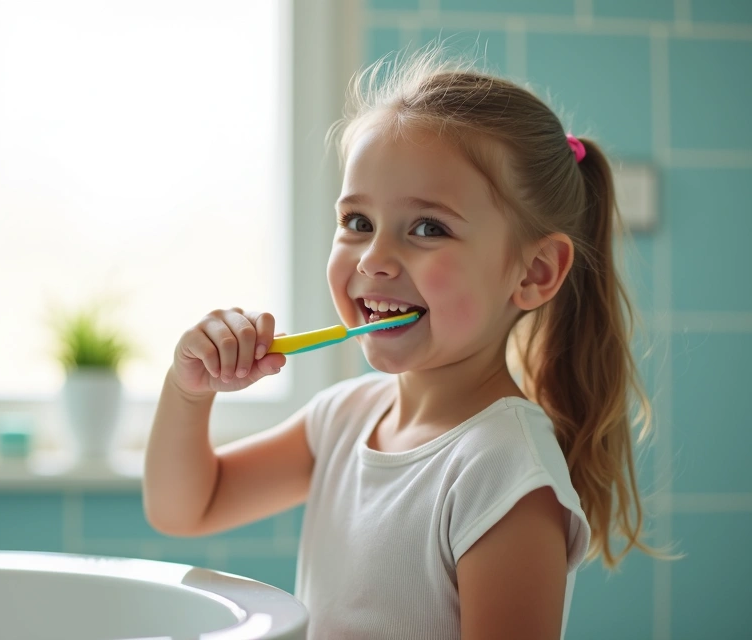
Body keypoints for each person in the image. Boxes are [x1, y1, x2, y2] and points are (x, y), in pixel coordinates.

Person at [143, 49, 655, 639]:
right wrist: (189, 389)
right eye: (357, 222)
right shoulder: (344, 418)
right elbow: (186, 508)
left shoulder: (503, 471)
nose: (374, 259)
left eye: (428, 227)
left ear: (535, 272)